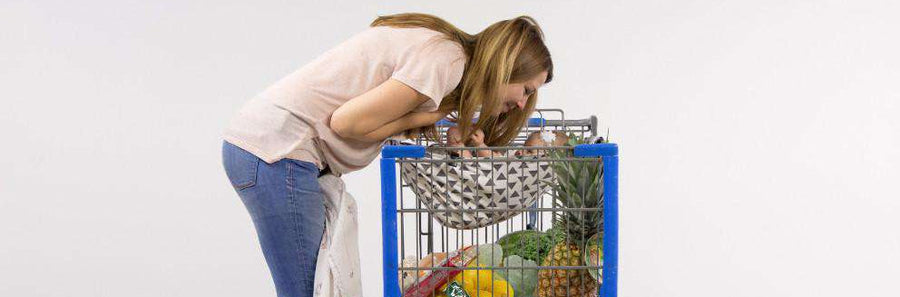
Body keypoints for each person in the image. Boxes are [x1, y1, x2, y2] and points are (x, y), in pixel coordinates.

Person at [221, 12, 553, 297]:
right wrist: (427, 117)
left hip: (274, 149)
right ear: (506, 65)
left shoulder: (445, 56)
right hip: (278, 150)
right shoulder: (446, 60)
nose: (523, 104)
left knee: (315, 286)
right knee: (307, 290)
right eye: (526, 90)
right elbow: (346, 122)